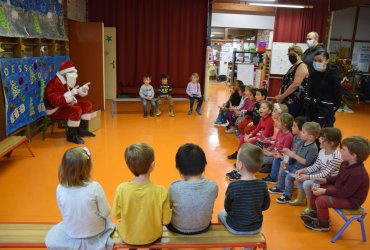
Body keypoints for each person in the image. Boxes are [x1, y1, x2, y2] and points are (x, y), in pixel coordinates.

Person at [45, 147, 115, 250]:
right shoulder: (95, 187)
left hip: (72, 232)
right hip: (96, 232)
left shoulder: (60, 188)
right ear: (88, 167)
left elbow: (63, 211)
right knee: (109, 220)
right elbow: (106, 212)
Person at [302, 136, 369, 231]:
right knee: (315, 186)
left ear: (354, 155)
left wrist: (324, 191)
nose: (340, 151)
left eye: (344, 149)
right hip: (341, 191)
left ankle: (323, 224)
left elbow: (345, 193)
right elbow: (338, 177)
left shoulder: (358, 173)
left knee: (321, 200)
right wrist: (325, 180)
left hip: (351, 200)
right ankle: (315, 212)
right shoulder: (345, 163)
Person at [111, 143, 172, 245]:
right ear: (152, 165)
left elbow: (115, 215)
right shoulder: (161, 191)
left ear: (128, 165)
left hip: (128, 237)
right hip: (153, 236)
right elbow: (166, 220)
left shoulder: (121, 189)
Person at [218, 143, 270, 235]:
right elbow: (265, 206)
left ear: (240, 165)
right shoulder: (263, 185)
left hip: (235, 227)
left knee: (220, 214)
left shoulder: (233, 186)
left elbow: (227, 207)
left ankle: (226, 245)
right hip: (256, 227)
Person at [167, 143, 218, 234]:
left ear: (179, 168)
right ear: (204, 165)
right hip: (204, 227)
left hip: (178, 228)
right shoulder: (212, 186)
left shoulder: (174, 187)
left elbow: (169, 205)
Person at [44, 61, 96, 144]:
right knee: (76, 109)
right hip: (54, 110)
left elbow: (72, 98)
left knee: (87, 105)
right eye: (71, 72)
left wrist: (80, 91)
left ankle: (80, 129)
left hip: (64, 105)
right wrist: (71, 93)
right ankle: (71, 134)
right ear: (65, 73)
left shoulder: (65, 81)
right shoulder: (54, 83)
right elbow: (54, 102)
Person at [294, 127, 342, 211]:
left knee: (307, 183)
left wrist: (307, 177)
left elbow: (325, 174)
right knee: (300, 176)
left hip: (328, 180)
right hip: (320, 176)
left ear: (331, 143)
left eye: (322, 138)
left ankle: (312, 207)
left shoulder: (336, 157)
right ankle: (308, 203)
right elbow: (316, 166)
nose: (319, 139)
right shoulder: (322, 150)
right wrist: (304, 170)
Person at [271, 122, 320, 204]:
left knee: (289, 177)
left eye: (303, 132)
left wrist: (293, 155)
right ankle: (280, 187)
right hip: (296, 165)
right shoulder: (302, 142)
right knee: (283, 168)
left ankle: (287, 195)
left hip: (304, 169)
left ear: (310, 137)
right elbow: (294, 154)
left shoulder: (313, 148)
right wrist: (286, 161)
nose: (300, 132)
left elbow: (306, 162)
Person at [262, 116, 309, 184]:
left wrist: (271, 154)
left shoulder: (289, 136)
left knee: (274, 159)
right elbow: (275, 144)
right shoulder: (294, 137)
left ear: (284, 125)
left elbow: (285, 151)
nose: (292, 127)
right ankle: (273, 177)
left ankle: (273, 178)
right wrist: (269, 149)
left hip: (284, 156)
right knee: (262, 154)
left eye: (294, 126)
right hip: (281, 154)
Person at [303, 51, 342, 127]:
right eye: (315, 61)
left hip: (325, 107)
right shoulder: (313, 74)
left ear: (327, 61)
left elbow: (337, 93)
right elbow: (310, 90)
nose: (317, 63)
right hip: (312, 106)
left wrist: (334, 107)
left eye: (320, 61)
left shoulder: (332, 75)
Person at [275, 45, 309, 117]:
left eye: (293, 55)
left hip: (295, 101)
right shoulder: (292, 67)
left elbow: (296, 84)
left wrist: (282, 96)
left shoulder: (302, 66)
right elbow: (285, 82)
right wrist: (280, 95)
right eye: (289, 55)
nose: (291, 57)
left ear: (299, 55)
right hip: (286, 98)